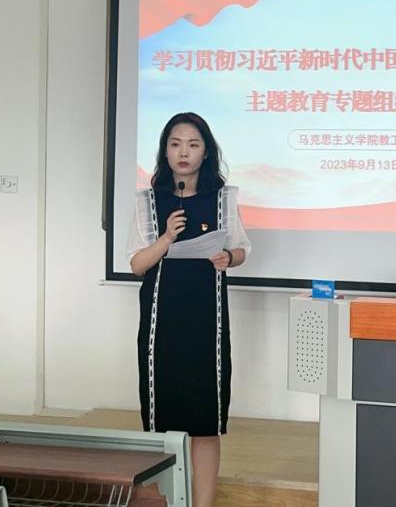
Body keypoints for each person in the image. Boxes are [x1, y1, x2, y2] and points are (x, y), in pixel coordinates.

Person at [125, 112, 250, 507]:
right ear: (165, 151)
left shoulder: (222, 198)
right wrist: (166, 238)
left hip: (207, 323)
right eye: (176, 144)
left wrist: (229, 257)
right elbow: (137, 264)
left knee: (205, 423)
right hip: (162, 323)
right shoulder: (149, 201)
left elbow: (241, 250)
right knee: (163, 421)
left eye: (193, 145)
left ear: (205, 152)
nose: (184, 152)